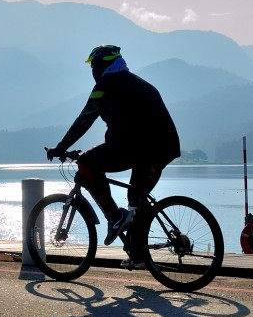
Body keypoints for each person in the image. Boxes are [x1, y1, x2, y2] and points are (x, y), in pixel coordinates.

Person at [46, 45, 180, 247]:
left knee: (87, 162)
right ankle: (139, 253)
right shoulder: (138, 83)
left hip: (141, 147)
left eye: (94, 67)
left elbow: (85, 119)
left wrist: (61, 146)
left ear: (101, 66)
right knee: (136, 199)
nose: (93, 72)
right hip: (159, 148)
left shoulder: (106, 85)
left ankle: (114, 216)